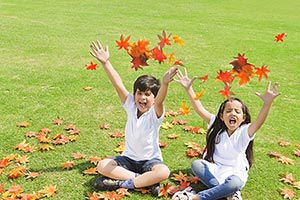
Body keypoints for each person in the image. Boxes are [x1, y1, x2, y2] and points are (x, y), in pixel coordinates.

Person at [172, 68, 280, 200]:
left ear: (243, 118)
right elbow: (199, 109)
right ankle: (228, 193)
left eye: (237, 111)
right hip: (215, 169)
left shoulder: (244, 132)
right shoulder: (217, 126)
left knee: (234, 183)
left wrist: (267, 104)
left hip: (234, 173)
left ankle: (197, 197)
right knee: (196, 165)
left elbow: (259, 122)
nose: (233, 113)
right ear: (222, 116)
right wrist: (189, 89)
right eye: (228, 111)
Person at [89, 40, 178, 196]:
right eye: (139, 93)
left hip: (150, 161)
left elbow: (161, 100)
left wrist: (164, 84)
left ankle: (122, 183)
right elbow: (118, 84)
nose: (142, 98)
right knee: (102, 165)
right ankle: (144, 182)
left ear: (154, 97)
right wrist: (106, 62)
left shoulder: (155, 113)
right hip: (128, 159)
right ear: (135, 94)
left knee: (164, 172)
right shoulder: (130, 105)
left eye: (147, 95)